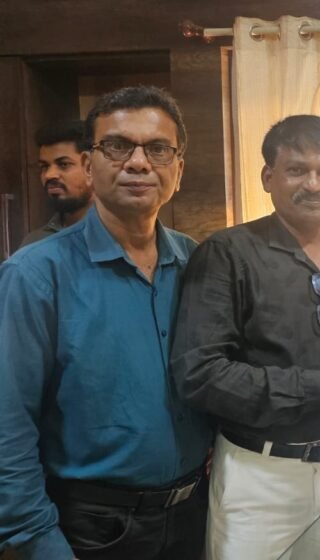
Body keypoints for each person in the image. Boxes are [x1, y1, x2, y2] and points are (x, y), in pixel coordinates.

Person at [170, 114, 320, 560]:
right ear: (267, 177)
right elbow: (199, 374)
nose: (313, 184)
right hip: (257, 475)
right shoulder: (226, 253)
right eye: (297, 170)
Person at [0, 86, 211, 560]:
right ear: (89, 165)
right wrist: (38, 540)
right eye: (117, 146)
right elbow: (7, 425)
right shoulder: (34, 275)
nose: (138, 163)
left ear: (178, 169)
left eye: (158, 149)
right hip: (90, 528)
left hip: (193, 515)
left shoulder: (197, 261)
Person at [19, 120, 94, 249]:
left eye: (64, 164)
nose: (49, 175)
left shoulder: (121, 236)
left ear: (90, 167)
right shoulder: (35, 243)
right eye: (44, 166)